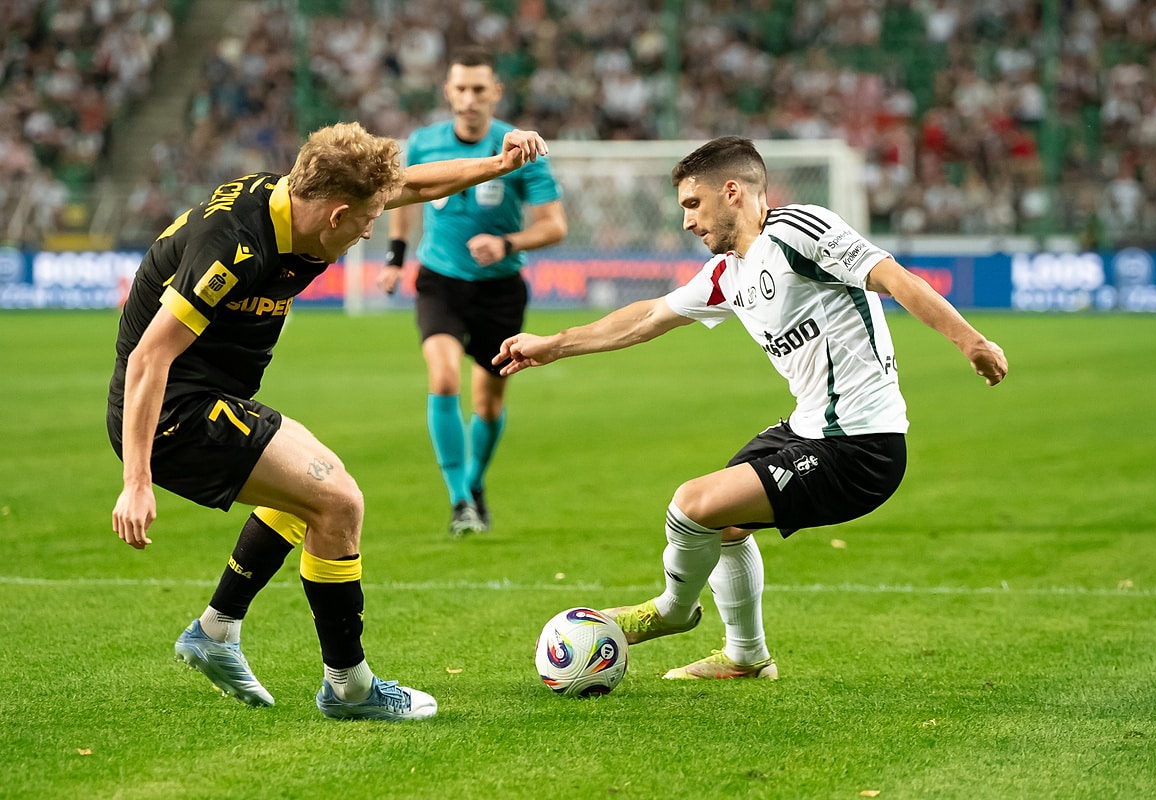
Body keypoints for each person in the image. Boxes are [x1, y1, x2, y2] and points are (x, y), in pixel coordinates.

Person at [495, 136, 1007, 680]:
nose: (687, 222)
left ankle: (672, 610)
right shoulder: (728, 272)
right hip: (808, 428)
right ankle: (745, 657)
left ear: (732, 192)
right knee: (723, 524)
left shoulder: (797, 232)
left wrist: (971, 341)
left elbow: (894, 279)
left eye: (693, 204)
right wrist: (554, 345)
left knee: (692, 504)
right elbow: (648, 318)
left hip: (860, 445)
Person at [108, 121, 549, 720]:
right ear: (337, 213)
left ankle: (215, 630)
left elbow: (415, 185)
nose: (370, 231)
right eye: (366, 223)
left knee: (309, 491)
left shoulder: (301, 202)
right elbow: (148, 358)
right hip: (172, 411)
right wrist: (136, 482)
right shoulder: (235, 243)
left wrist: (497, 165)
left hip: (208, 396)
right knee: (338, 502)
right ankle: (350, 688)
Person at [378, 46, 567, 536]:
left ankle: (475, 483)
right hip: (439, 281)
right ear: (448, 91)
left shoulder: (520, 148)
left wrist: (507, 243)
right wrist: (396, 257)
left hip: (500, 290)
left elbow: (554, 226)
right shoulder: (423, 143)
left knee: (488, 404)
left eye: (478, 89)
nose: (468, 98)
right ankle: (459, 500)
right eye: (460, 88)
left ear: (495, 92)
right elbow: (406, 196)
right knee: (443, 379)